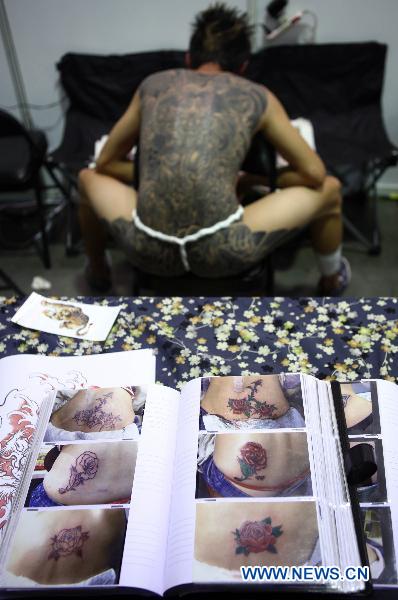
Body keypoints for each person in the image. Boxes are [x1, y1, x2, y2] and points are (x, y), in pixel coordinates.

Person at [78, 3, 349, 295]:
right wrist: (250, 180)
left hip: (147, 248)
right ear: (243, 66)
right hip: (223, 252)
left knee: (86, 178)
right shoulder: (257, 96)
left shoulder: (153, 85)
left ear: (188, 57)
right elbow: (314, 173)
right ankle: (331, 279)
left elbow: (105, 163)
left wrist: (156, 171)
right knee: (330, 191)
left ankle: (99, 271)